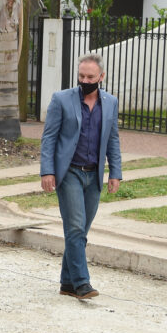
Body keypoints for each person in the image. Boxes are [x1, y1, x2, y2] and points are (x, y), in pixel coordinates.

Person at [40, 53, 122, 300]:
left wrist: (115, 172)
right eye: (81, 76)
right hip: (70, 174)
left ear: (101, 77)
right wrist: (47, 170)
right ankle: (82, 283)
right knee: (75, 228)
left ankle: (67, 283)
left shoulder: (110, 102)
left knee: (79, 232)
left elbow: (113, 139)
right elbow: (49, 137)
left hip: (93, 176)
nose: (85, 80)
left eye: (90, 77)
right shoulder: (61, 99)